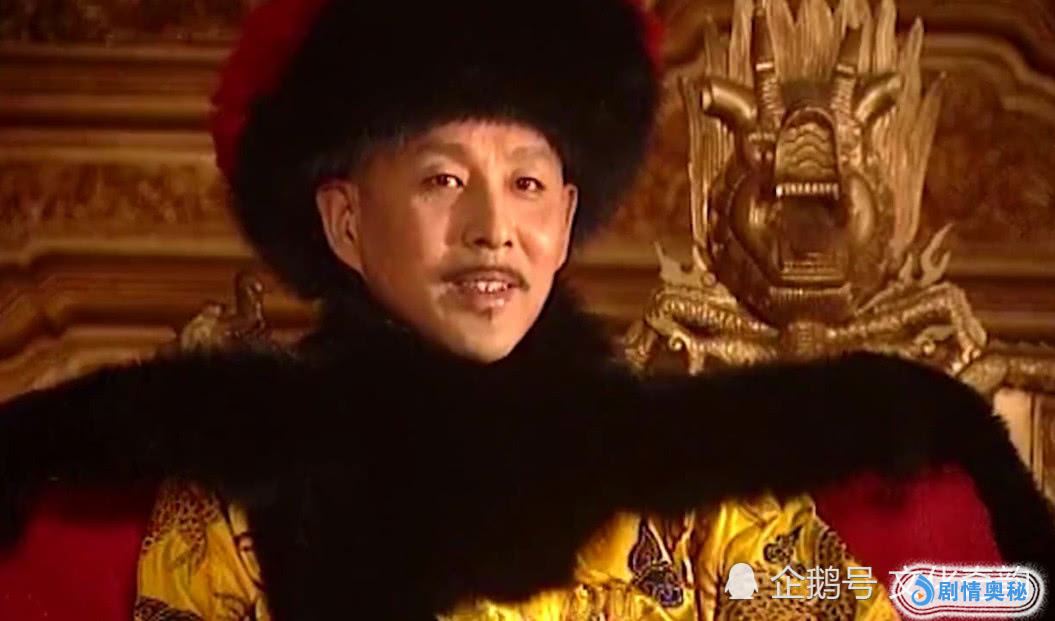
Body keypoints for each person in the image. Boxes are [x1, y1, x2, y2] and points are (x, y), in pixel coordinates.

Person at [0, 1, 1051, 620]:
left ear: (566, 218)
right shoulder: (222, 516)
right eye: (442, 180)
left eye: (528, 183)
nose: (492, 229)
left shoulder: (697, 512)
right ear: (345, 221)